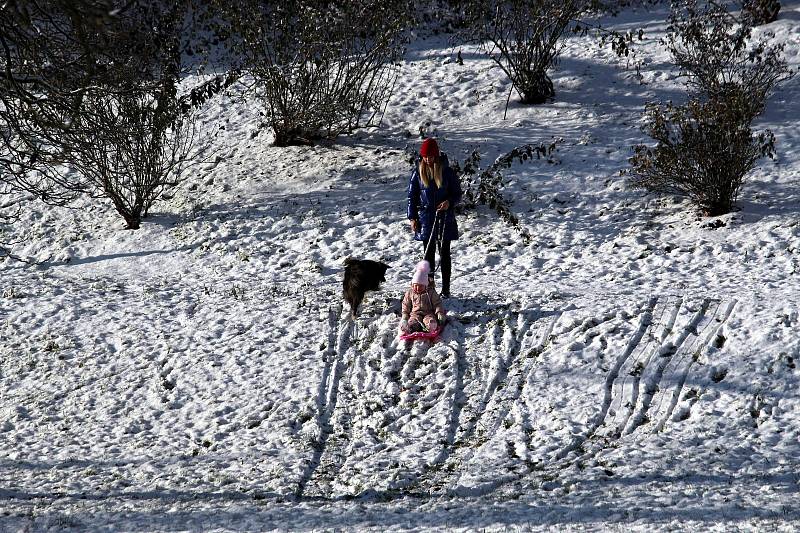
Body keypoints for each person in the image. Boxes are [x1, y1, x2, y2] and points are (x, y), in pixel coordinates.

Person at [406, 137, 462, 298]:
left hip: (444, 218)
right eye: (425, 157)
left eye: (431, 156)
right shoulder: (417, 172)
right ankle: (429, 288)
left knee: (444, 253)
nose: (428, 159)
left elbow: (457, 194)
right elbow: (412, 197)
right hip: (426, 218)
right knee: (427, 255)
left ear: (436, 156)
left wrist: (449, 202)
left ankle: (446, 289)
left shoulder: (447, 172)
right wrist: (412, 217)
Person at [400, 260, 446, 333]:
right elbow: (406, 304)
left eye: (421, 286)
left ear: (426, 285)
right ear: (412, 285)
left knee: (429, 319)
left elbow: (437, 303)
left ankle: (431, 325)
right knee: (414, 320)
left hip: (428, 312)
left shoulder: (431, 292)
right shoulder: (410, 293)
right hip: (415, 313)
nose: (418, 288)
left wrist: (439, 313)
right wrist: (405, 316)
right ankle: (411, 326)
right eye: (416, 286)